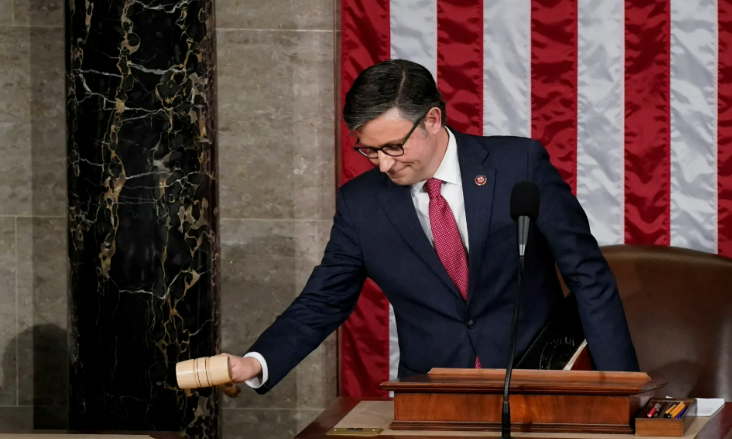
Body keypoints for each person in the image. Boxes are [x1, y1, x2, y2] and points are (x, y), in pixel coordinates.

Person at [225, 59, 639, 392]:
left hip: (540, 380)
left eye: (393, 146)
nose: (384, 164)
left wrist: (623, 390)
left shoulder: (519, 167)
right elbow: (323, 301)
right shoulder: (360, 204)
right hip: (432, 395)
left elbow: (588, 276)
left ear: (433, 120)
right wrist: (256, 361)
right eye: (369, 151)